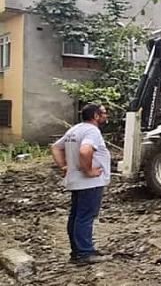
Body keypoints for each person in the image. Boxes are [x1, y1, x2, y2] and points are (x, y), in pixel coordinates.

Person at [51, 104, 112, 265]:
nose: (106, 116)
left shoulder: (75, 129)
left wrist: (64, 167)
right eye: (103, 113)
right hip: (89, 183)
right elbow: (85, 151)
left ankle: (78, 251)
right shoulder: (92, 131)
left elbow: (56, 147)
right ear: (95, 116)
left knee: (76, 216)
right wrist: (88, 171)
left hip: (77, 181)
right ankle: (84, 253)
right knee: (85, 217)